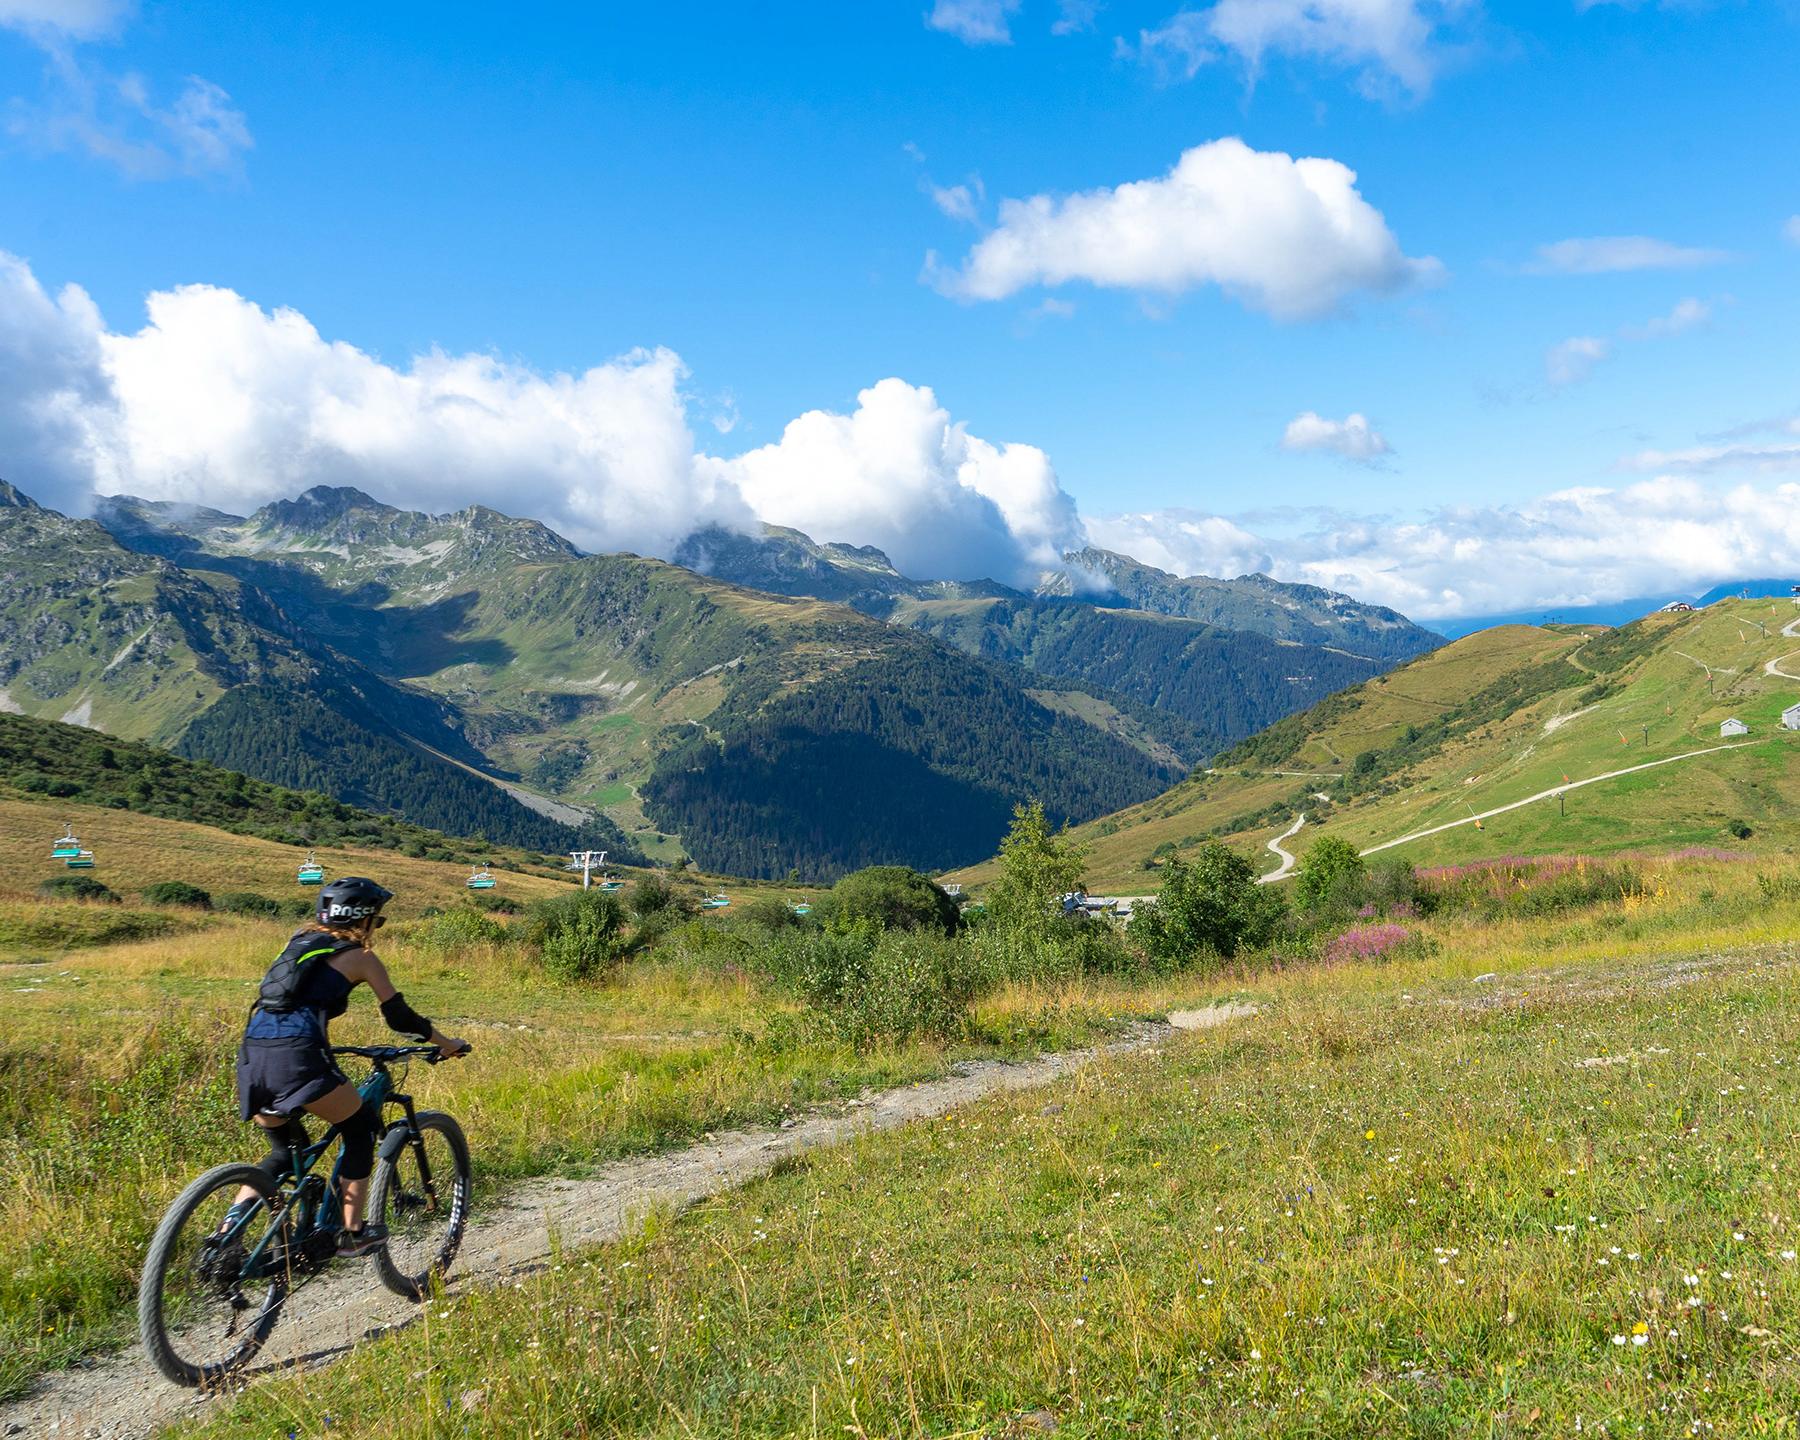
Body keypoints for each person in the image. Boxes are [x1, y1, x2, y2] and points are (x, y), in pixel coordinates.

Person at [228, 877, 469, 1256]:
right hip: (298, 1055)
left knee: (282, 1153)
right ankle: (352, 1233)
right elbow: (400, 1017)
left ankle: (228, 1233)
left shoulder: (298, 944)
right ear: (364, 917)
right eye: (378, 918)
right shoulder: (360, 957)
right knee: (359, 1130)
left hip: (253, 1055)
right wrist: (447, 1044)